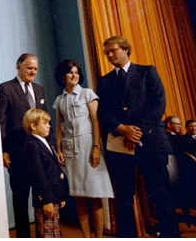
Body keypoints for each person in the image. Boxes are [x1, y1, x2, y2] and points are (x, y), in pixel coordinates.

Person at [96, 36, 179, 237]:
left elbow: (158, 103)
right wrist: (122, 129)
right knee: (124, 197)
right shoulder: (104, 81)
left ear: (126, 49)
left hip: (150, 142)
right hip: (119, 145)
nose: (109, 55)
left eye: (113, 50)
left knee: (160, 193)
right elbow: (103, 112)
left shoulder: (147, 71)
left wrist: (136, 131)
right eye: (106, 52)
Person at [52, 59, 115, 238]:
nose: (75, 76)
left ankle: (99, 237)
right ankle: (86, 237)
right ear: (62, 76)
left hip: (89, 147)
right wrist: (59, 148)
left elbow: (96, 122)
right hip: (70, 149)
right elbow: (59, 126)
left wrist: (96, 147)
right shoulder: (59, 100)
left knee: (94, 195)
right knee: (78, 196)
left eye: (77, 72)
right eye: (70, 72)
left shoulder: (87, 94)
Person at [0, 53, 51, 238]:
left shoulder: (40, 90)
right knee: (20, 200)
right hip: (17, 154)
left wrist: (51, 149)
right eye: (29, 68)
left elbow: (45, 123)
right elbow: (1, 122)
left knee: (41, 197)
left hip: (39, 153)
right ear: (18, 67)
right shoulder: (5, 88)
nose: (33, 72)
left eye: (35, 69)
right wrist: (3, 150)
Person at [23, 109, 69, 238]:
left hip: (54, 196)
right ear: (33, 126)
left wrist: (60, 196)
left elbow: (54, 171)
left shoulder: (46, 141)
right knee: (47, 233)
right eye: (45, 123)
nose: (49, 125)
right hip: (46, 199)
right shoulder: (32, 145)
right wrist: (47, 201)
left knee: (54, 232)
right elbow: (39, 175)